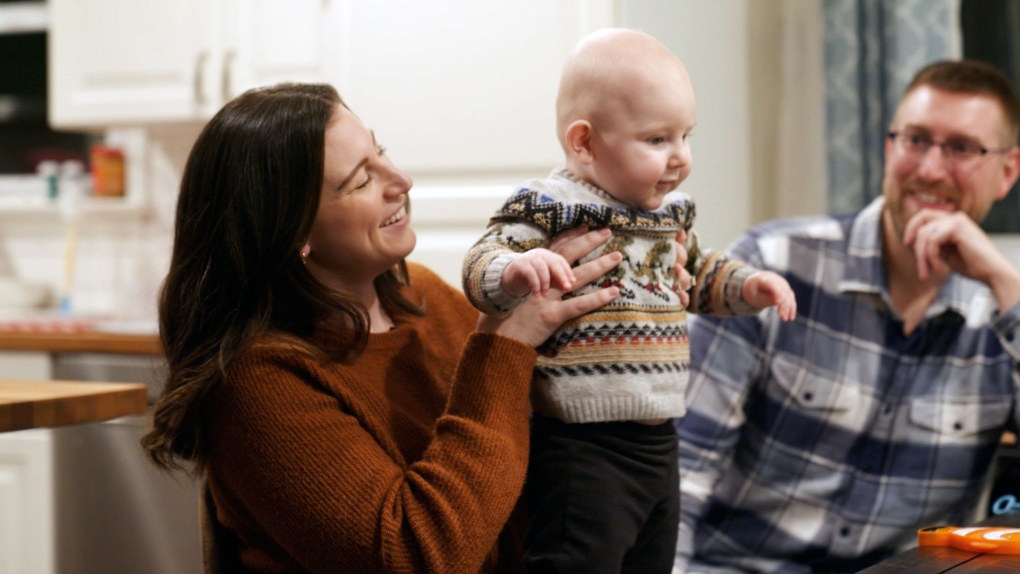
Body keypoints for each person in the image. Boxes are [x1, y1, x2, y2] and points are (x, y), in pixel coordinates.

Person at [139, 82, 628, 574]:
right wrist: (505, 345)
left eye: (382, 153)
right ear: (293, 233)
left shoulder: (423, 296)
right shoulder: (257, 383)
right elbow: (416, 555)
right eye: (359, 181)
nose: (401, 180)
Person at [461, 29, 796, 573]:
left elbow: (698, 274)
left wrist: (748, 286)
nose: (680, 158)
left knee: (651, 559)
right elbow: (481, 263)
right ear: (584, 143)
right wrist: (519, 268)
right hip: (582, 444)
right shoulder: (552, 205)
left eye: (686, 135)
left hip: (661, 436)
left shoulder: (670, 216)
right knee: (577, 558)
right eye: (657, 140)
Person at [675, 59, 1020, 573]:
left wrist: (1007, 285)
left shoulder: (1002, 319)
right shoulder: (772, 267)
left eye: (963, 148)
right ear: (889, 147)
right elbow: (681, 476)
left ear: (1007, 173)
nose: (929, 169)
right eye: (915, 140)